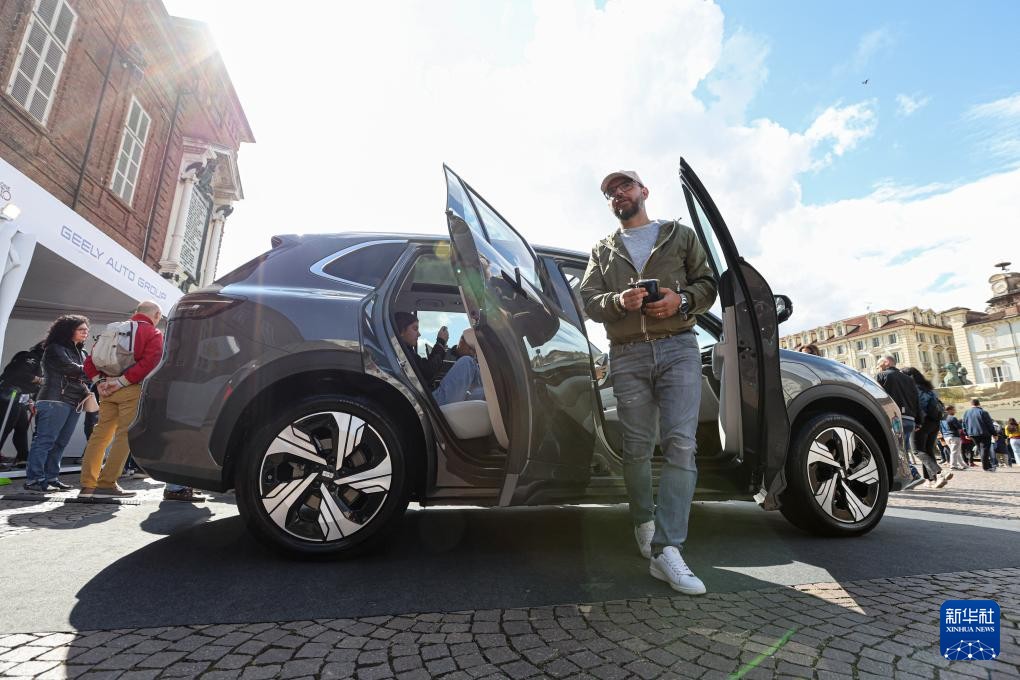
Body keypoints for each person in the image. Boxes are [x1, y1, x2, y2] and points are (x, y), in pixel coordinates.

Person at [580, 169, 718, 595]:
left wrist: (682, 300)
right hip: (626, 354)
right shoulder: (602, 249)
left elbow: (708, 284)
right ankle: (643, 520)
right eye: (610, 192)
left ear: (643, 191)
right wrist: (618, 301)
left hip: (679, 347)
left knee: (681, 443)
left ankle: (666, 548)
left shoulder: (679, 234)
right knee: (637, 447)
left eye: (624, 186)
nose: (617, 194)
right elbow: (588, 301)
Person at [79, 301, 169, 499]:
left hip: (106, 389)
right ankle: (106, 484)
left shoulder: (113, 329)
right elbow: (151, 362)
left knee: (100, 435)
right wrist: (121, 382)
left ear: (137, 312)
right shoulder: (153, 333)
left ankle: (87, 485)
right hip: (130, 388)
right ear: (156, 315)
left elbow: (90, 361)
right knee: (124, 436)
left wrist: (99, 381)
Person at [23, 315, 91, 492]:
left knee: (60, 443)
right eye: (81, 329)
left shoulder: (82, 353)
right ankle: (34, 480)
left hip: (74, 401)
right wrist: (94, 369)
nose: (86, 332)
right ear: (68, 330)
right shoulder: (55, 348)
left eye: (86, 329)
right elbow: (71, 368)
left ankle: (51, 478)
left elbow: (85, 375)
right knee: (45, 441)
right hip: (54, 399)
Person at [395, 312, 484, 406]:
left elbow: (425, 370)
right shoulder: (402, 353)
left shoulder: (405, 352)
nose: (419, 334)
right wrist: (440, 343)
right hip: (431, 402)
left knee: (479, 395)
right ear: (401, 331)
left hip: (428, 399)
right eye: (415, 328)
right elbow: (428, 372)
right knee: (468, 362)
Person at [901, 367, 951, 489]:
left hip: (922, 422)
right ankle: (932, 479)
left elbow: (920, 407)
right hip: (935, 422)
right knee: (927, 450)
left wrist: (917, 422)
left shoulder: (914, 388)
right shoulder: (928, 388)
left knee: (917, 450)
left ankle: (940, 472)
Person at [0, 342, 44, 469]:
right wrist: (42, 380)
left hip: (20, 398)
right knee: (4, 427)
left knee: (21, 426)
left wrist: (30, 401)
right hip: (10, 395)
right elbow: (20, 375)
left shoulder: (40, 362)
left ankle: (23, 457)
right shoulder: (30, 357)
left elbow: (28, 385)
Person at [875, 355, 920, 457]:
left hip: (894, 419)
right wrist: (918, 421)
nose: (877, 367)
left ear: (886, 362)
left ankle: (910, 469)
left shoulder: (882, 375)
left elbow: (876, 396)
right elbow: (916, 400)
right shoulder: (909, 379)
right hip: (909, 420)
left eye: (878, 364)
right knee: (903, 453)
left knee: (895, 453)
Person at [962, 398, 996, 471]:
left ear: (971, 404)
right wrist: (994, 434)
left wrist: (966, 434)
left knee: (981, 450)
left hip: (972, 434)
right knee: (984, 450)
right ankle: (986, 467)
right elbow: (989, 424)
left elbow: (964, 424)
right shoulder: (983, 412)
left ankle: (988, 465)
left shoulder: (966, 412)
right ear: (979, 404)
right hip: (984, 433)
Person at [940, 404, 966, 470]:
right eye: (954, 410)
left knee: (956, 451)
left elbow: (940, 429)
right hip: (954, 436)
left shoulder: (941, 419)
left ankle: (963, 464)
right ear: (950, 410)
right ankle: (953, 466)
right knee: (954, 452)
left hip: (946, 437)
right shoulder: (952, 418)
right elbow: (959, 427)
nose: (955, 411)